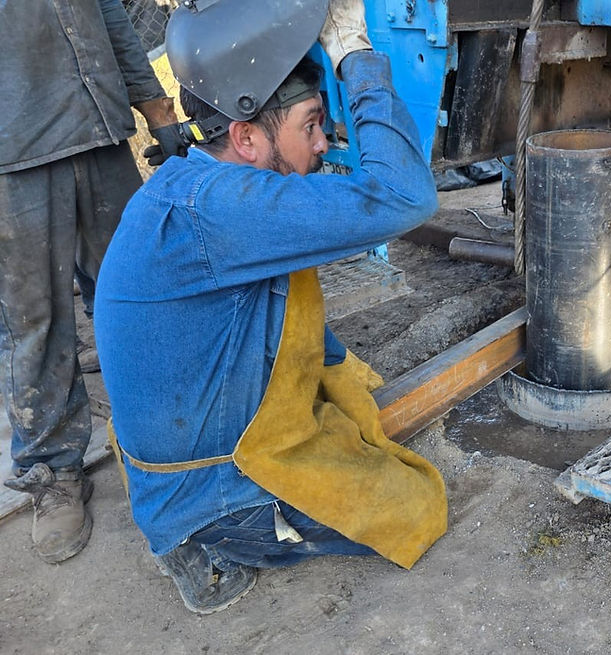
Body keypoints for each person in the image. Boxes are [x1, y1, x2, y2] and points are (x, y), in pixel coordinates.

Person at [94, 0, 448, 614]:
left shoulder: (195, 184)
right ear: (247, 136)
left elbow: (277, 311)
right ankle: (209, 544)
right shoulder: (223, 211)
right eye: (311, 125)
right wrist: (357, 59)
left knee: (339, 401)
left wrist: (335, 370)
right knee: (412, 504)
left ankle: (193, 525)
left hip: (167, 457)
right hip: (206, 488)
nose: (323, 142)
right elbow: (404, 197)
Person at [0, 0, 183, 564]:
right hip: (14, 155)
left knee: (137, 294)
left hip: (100, 136)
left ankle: (167, 436)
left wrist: (161, 115)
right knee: (37, 320)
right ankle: (52, 469)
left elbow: (112, 21)